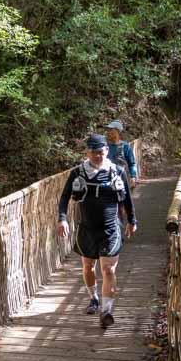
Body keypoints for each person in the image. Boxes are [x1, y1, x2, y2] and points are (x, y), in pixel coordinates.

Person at [56, 134, 138, 328]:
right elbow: (65, 197)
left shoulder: (117, 171)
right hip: (87, 228)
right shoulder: (78, 173)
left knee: (108, 268)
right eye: (94, 153)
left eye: (101, 152)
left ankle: (106, 310)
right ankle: (93, 298)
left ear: (106, 151)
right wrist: (62, 219)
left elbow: (126, 199)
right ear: (87, 152)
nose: (97, 156)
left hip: (111, 228)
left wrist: (132, 220)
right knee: (88, 267)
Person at [101, 120, 138, 189]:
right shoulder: (104, 145)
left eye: (111, 130)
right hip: (105, 180)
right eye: (108, 130)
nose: (108, 132)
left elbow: (132, 163)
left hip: (121, 181)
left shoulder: (125, 146)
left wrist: (133, 177)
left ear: (117, 132)